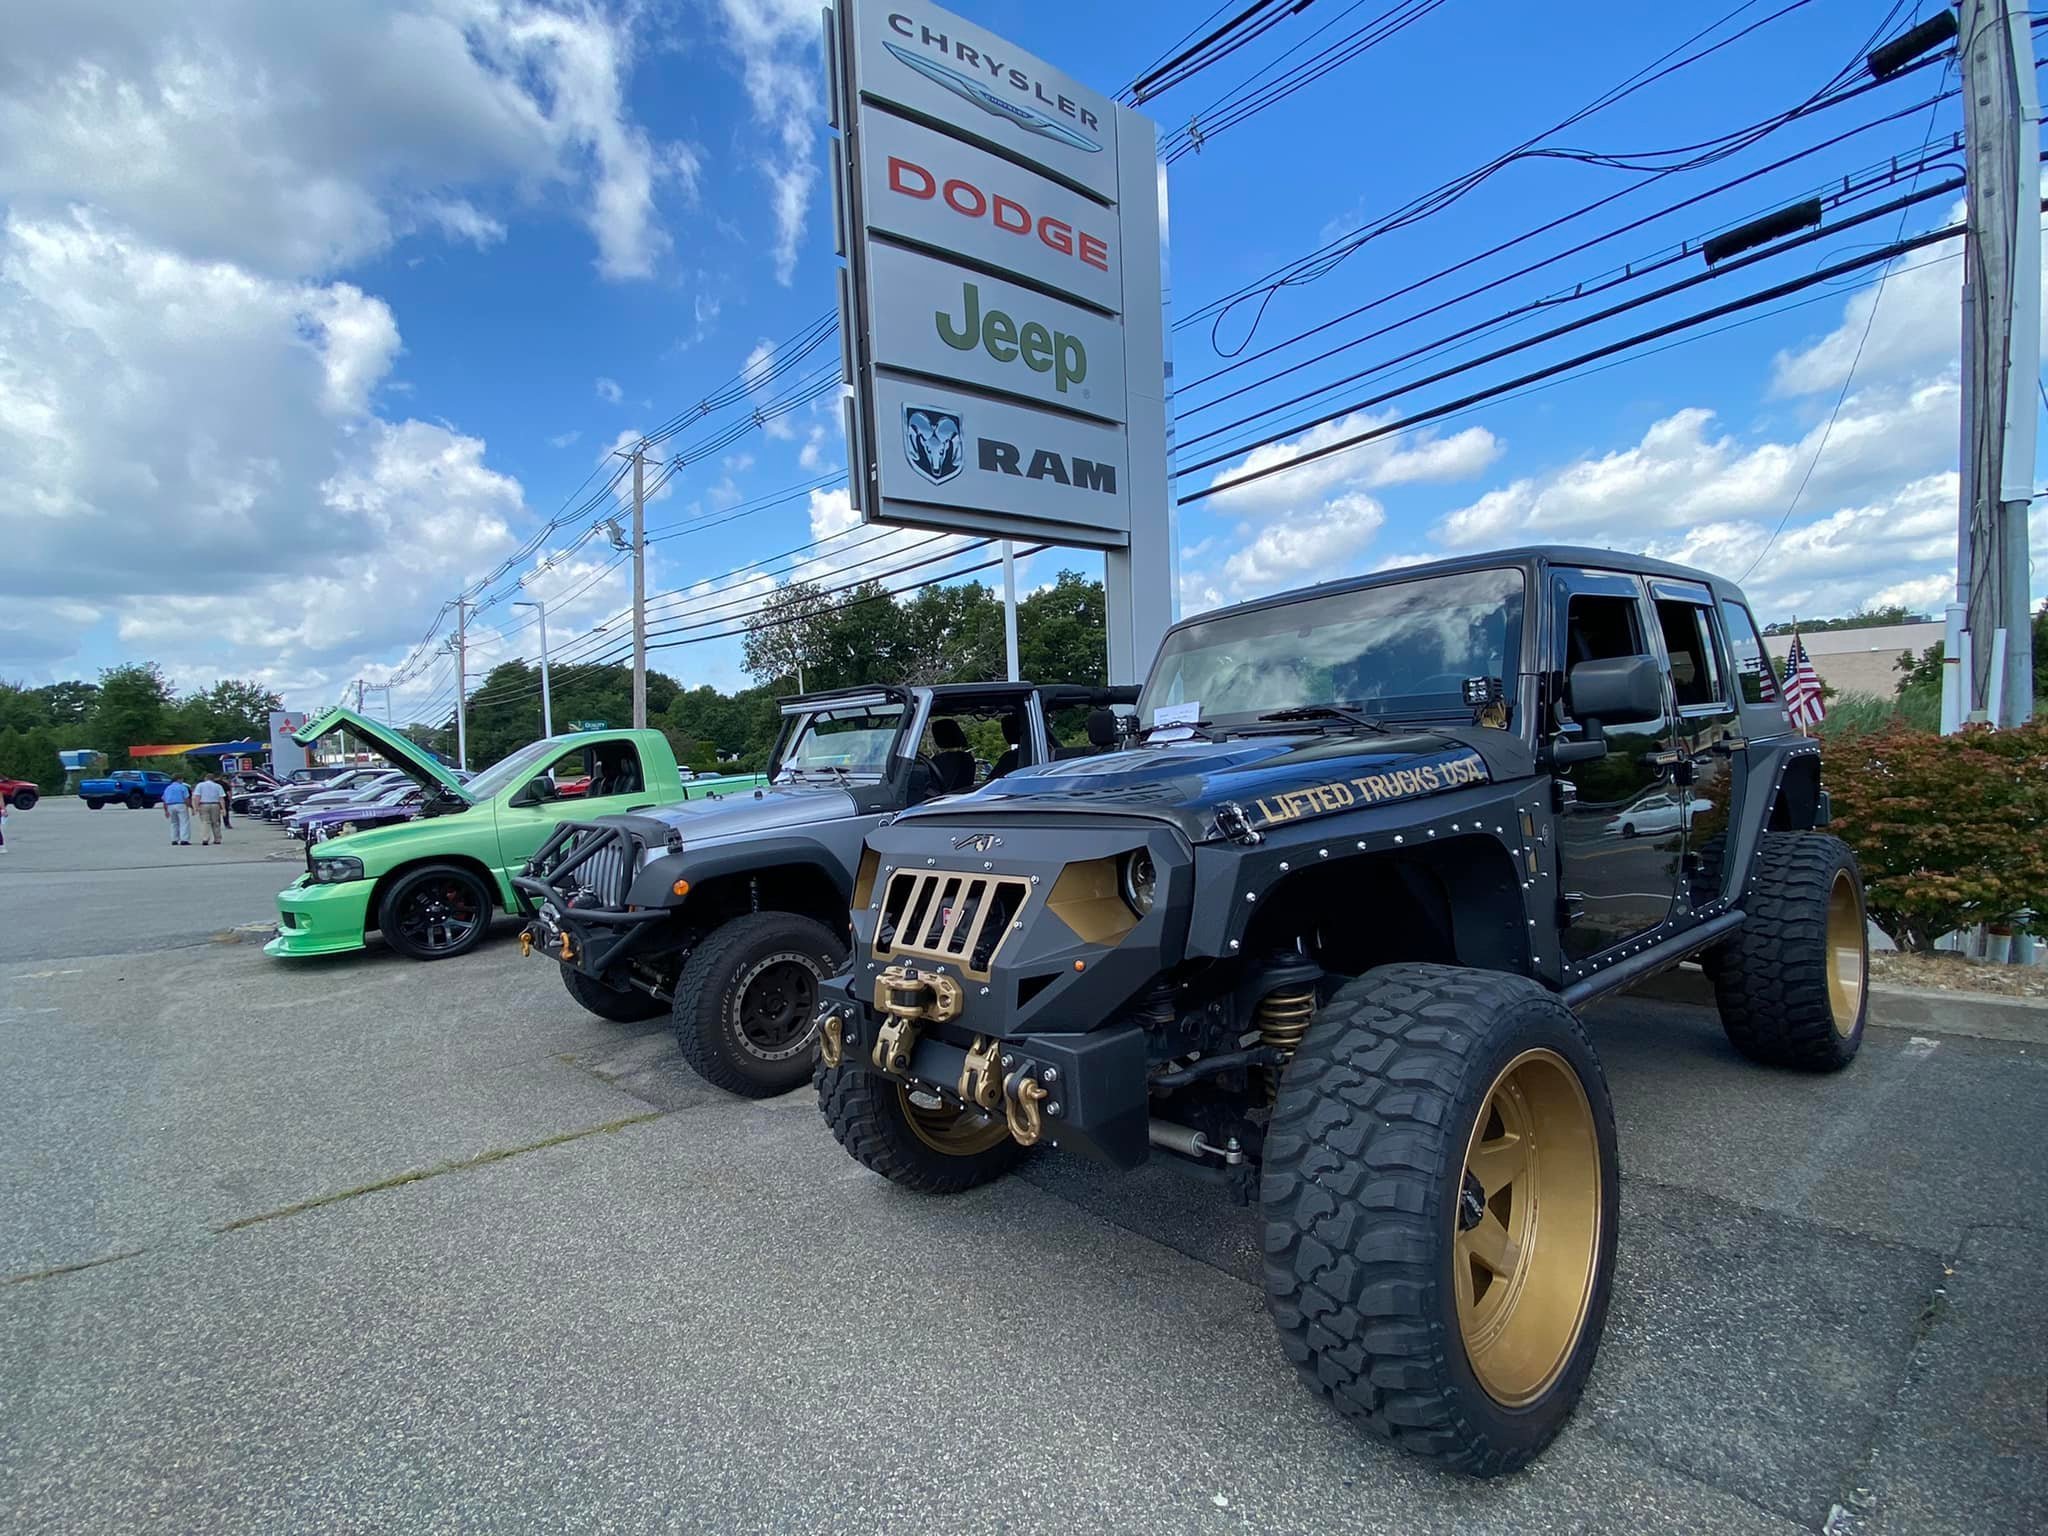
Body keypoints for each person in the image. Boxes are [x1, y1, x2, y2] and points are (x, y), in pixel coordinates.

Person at [191, 773, 227, 845]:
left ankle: (205, 838)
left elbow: (197, 796)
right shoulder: (218, 786)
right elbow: (221, 798)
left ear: (205, 778)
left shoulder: (200, 785)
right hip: (215, 804)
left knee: (205, 822)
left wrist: (196, 807)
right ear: (213, 779)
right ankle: (217, 839)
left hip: (204, 804)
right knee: (216, 822)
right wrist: (223, 808)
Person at [161, 775, 192, 845]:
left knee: (174, 823)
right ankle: (184, 839)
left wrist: (166, 811)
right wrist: (189, 806)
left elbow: (164, 800)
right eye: (182, 779)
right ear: (178, 779)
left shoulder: (168, 788)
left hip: (170, 805)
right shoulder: (183, 787)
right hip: (181, 804)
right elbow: (186, 798)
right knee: (184, 822)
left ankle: (174, 839)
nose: (182, 781)